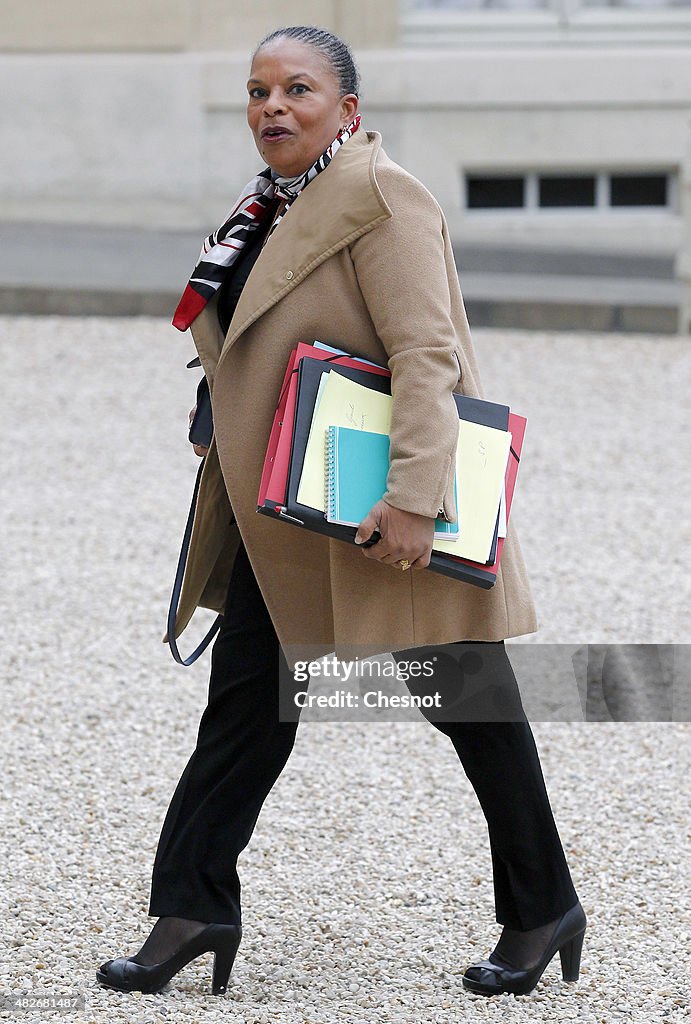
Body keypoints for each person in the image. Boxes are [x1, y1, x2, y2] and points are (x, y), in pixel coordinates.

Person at [96, 25, 586, 1000]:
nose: (272, 106)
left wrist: (413, 499)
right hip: (282, 507)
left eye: (299, 89)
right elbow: (242, 336)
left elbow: (425, 356)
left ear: (346, 110)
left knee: (471, 705)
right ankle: (192, 907)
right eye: (258, 90)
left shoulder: (379, 197)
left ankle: (542, 908)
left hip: (372, 510)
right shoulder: (265, 207)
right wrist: (211, 408)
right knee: (243, 709)